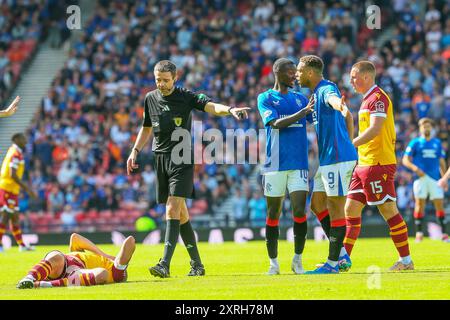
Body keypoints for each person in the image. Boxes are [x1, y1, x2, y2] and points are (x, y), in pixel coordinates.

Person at [127, 60, 249, 278]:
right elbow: (146, 127)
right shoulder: (150, 98)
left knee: (172, 209)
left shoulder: (186, 96)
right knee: (181, 214)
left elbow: (211, 106)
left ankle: (164, 264)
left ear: (176, 78)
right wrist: (135, 150)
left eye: (165, 80)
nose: (161, 84)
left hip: (181, 157)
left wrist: (230, 110)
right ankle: (197, 265)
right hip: (160, 159)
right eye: (158, 80)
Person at [344, 60, 414, 271]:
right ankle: (342, 259)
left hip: (378, 162)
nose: (351, 81)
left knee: (388, 210)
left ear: (366, 76)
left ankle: (406, 261)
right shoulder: (366, 100)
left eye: (354, 77)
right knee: (350, 209)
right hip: (363, 163)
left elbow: (375, 129)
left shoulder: (378, 98)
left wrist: (350, 144)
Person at [296, 55, 356, 274]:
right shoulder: (315, 94)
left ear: (311, 72)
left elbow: (341, 106)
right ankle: (341, 255)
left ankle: (332, 265)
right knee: (317, 204)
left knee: (336, 208)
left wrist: (338, 104)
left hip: (339, 159)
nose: (297, 74)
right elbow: (349, 117)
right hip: (329, 160)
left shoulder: (325, 89)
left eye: (300, 71)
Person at [257, 57, 314, 275]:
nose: (295, 76)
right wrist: (301, 114)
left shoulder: (301, 99)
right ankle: (273, 263)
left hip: (299, 163)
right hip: (274, 164)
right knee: (273, 213)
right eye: (291, 72)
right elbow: (275, 124)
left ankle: (297, 260)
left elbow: (315, 120)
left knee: (300, 211)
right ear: (278, 73)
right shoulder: (266, 98)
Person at [16, 233, 135, 288]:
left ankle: (42, 284)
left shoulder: (115, 273)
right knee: (56, 257)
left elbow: (130, 242)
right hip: (68, 265)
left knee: (101, 274)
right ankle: (29, 278)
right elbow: (75, 238)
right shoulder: (107, 263)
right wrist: (105, 255)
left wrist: (113, 259)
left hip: (75, 272)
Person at [402, 118, 448, 242]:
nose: (426, 128)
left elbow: (442, 161)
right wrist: (415, 168)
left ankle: (444, 234)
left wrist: (444, 179)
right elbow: (405, 160)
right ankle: (419, 233)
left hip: (435, 178)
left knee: (439, 205)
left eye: (428, 126)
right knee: (419, 205)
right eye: (424, 127)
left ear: (431, 128)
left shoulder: (437, 143)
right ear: (420, 128)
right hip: (420, 178)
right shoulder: (415, 142)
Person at [0, 133, 37, 252]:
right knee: (5, 217)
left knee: (15, 218)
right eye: (23, 138)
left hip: (12, 190)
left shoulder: (16, 152)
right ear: (16, 139)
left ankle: (22, 245)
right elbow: (13, 174)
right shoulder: (15, 154)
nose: (26, 140)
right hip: (7, 188)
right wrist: (27, 189)